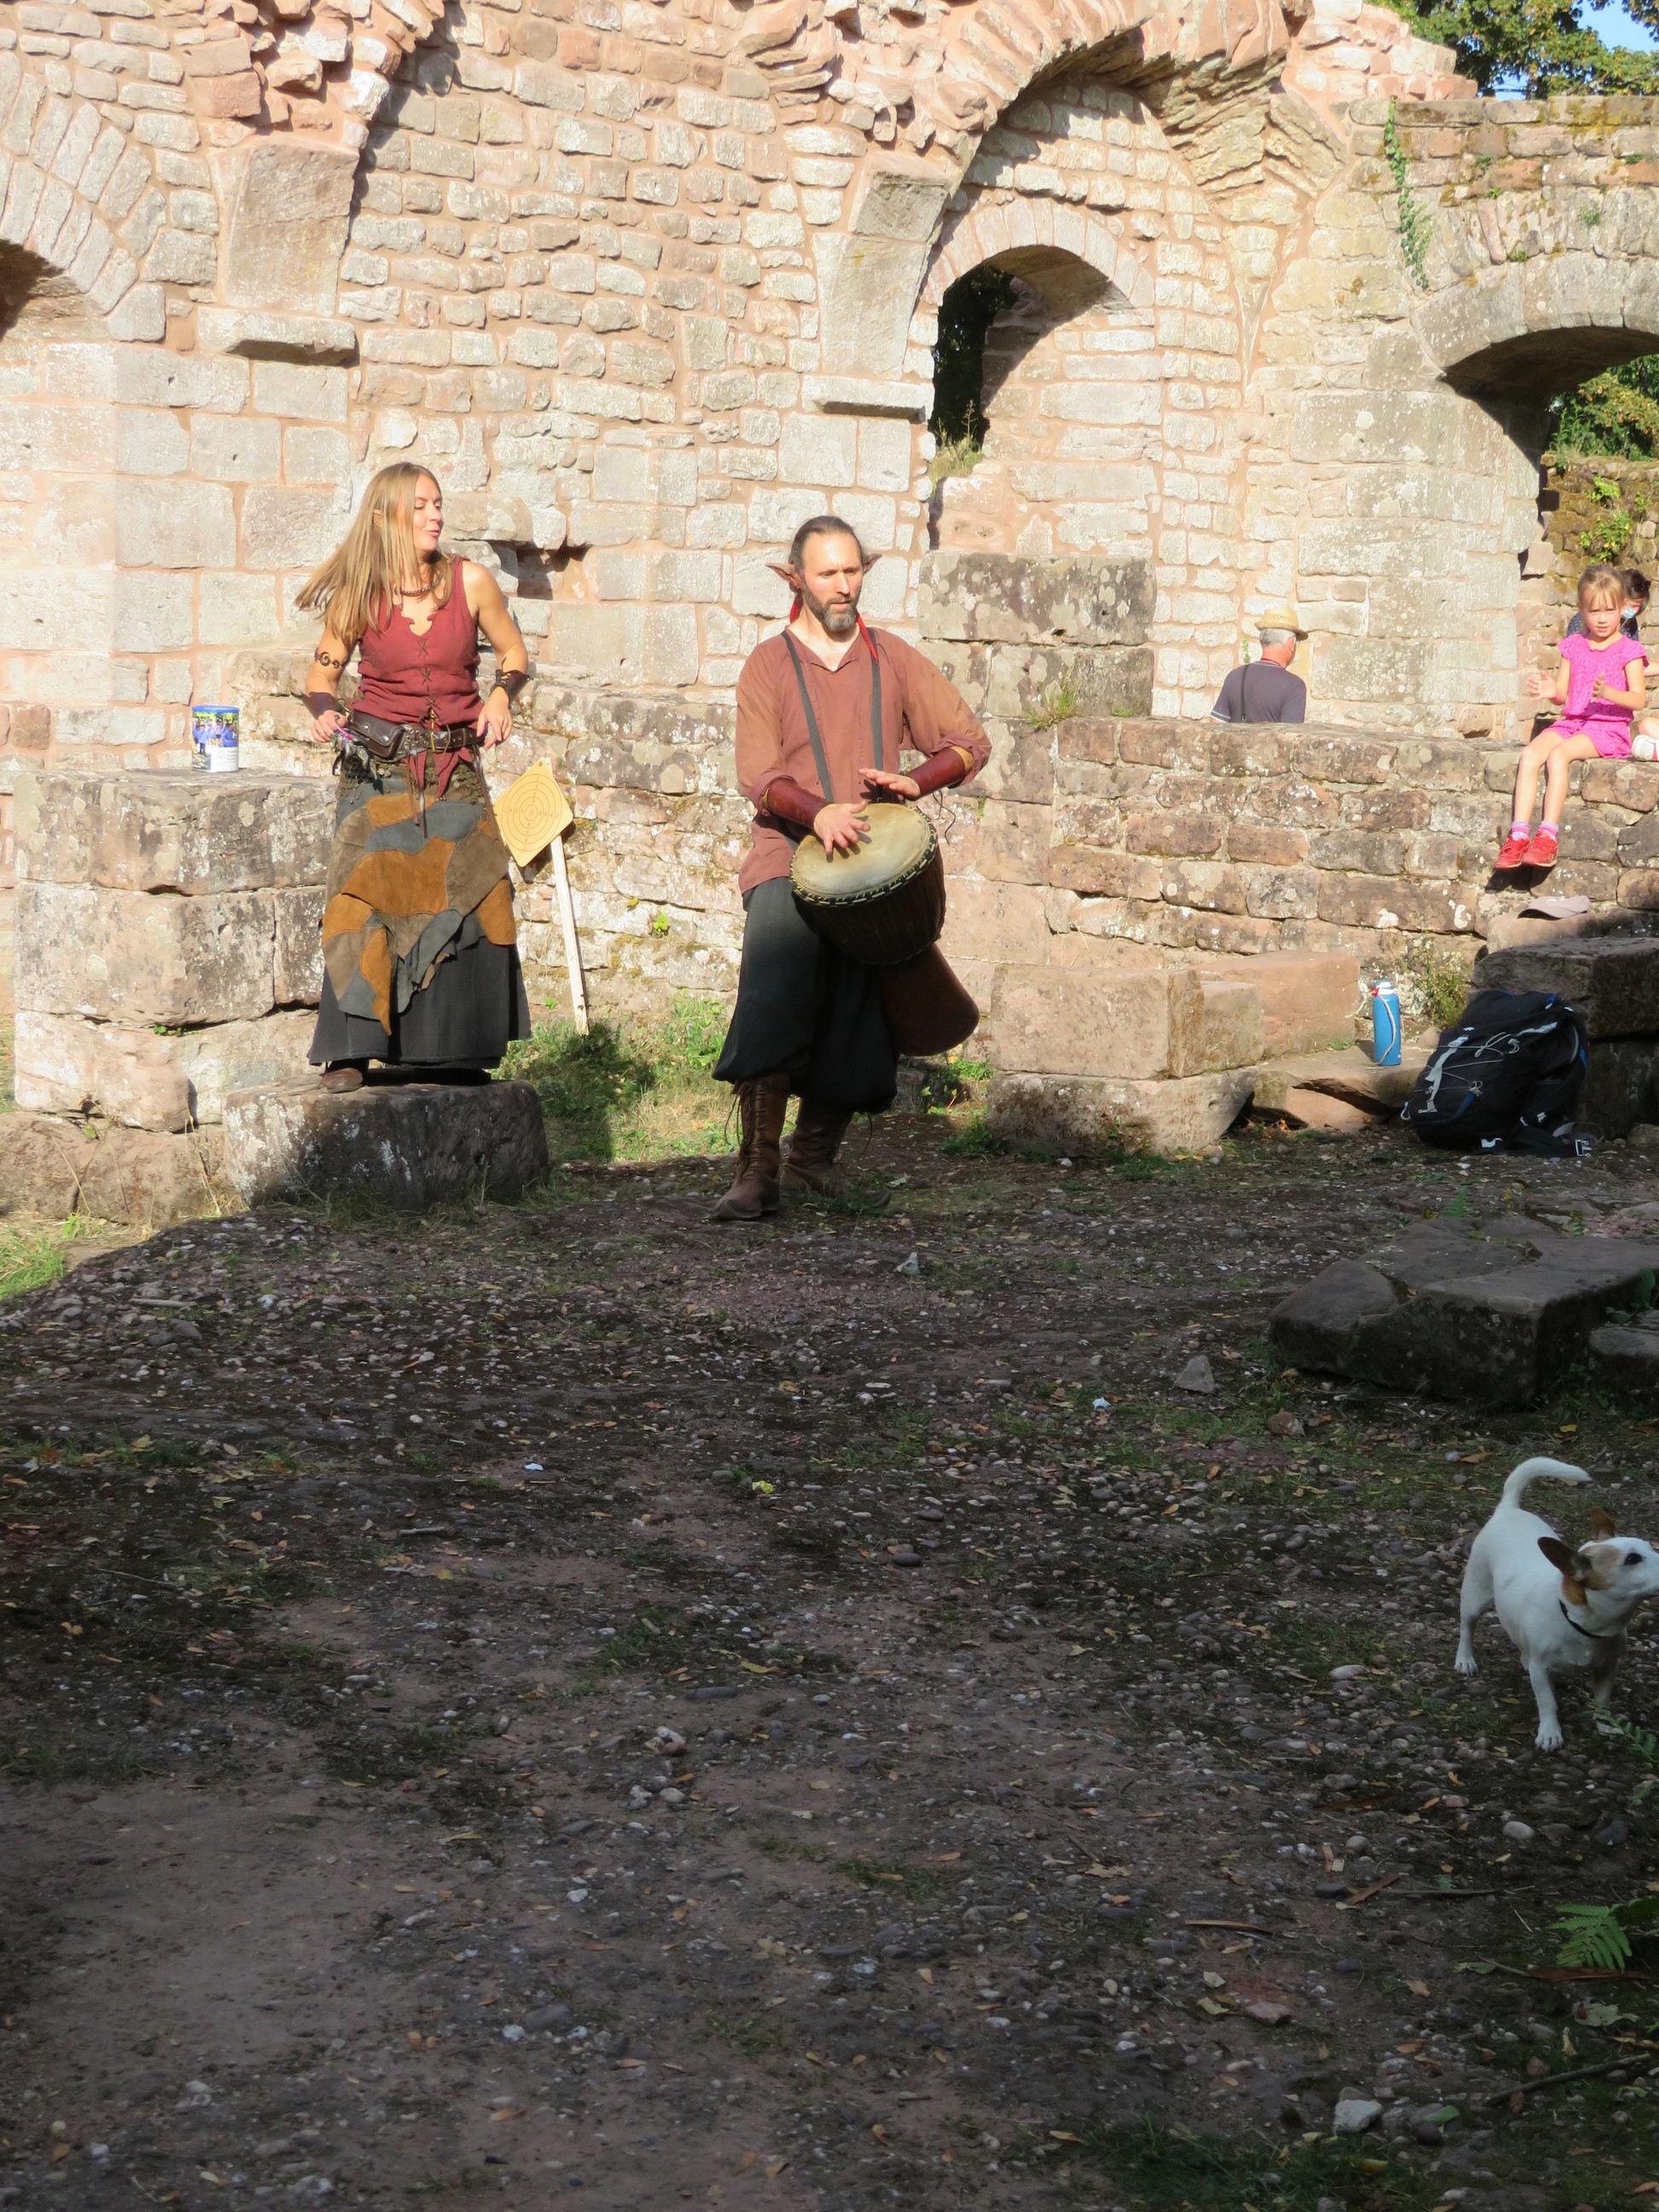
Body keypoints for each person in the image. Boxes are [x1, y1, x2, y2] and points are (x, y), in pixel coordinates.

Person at [710, 516, 989, 1223]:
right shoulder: (766, 664)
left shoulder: (890, 657)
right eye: (828, 573)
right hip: (786, 856)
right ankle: (757, 1170)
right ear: (795, 579)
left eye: (852, 570)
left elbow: (968, 741)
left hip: (869, 869)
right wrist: (819, 814)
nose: (843, 586)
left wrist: (916, 781)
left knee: (862, 1013)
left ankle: (812, 1158)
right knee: (773, 995)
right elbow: (759, 776)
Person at [297, 464, 534, 1087]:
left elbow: (515, 653)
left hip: (456, 770)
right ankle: (352, 1048)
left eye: (438, 504)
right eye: (421, 506)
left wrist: (501, 696)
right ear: (388, 516)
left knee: (475, 885)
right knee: (362, 895)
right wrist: (325, 712)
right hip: (378, 772)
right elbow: (321, 677)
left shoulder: (471, 581)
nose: (436, 516)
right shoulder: (360, 594)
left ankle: (454, 1049)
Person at [1497, 562, 1649, 874]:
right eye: (1595, 611)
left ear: (1622, 607)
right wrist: (1551, 690)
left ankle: (1548, 837)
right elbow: (1563, 694)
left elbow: (1638, 699)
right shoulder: (1573, 646)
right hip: (1572, 723)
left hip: (1608, 728)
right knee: (1530, 754)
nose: (1603, 618)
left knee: (1558, 755)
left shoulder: (1629, 650)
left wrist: (1609, 693)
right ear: (1581, 609)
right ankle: (1519, 835)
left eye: (1609, 610)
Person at [1210, 608, 1307, 725]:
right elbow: (1291, 734)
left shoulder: (1234, 677)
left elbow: (1215, 725)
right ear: (1291, 643)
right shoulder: (1294, 686)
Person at [1567, 565, 1649, 641]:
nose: (1602, 619)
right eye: (1632, 606)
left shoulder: (1631, 623)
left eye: (1610, 611)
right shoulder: (1579, 623)